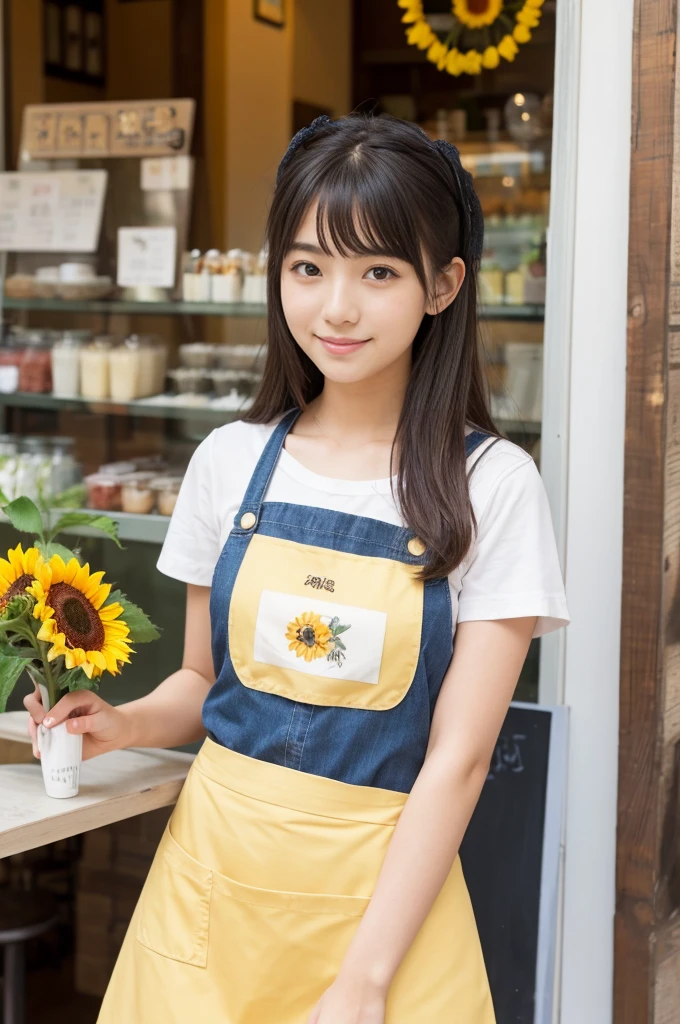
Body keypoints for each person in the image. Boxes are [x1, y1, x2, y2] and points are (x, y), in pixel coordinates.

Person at [25, 113, 569, 1024]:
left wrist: (363, 983)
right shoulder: (229, 460)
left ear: (443, 286)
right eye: (308, 267)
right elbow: (205, 680)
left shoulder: (494, 486)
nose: (337, 308)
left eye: (379, 272)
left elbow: (459, 761)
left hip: (385, 919)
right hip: (210, 892)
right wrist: (119, 724)